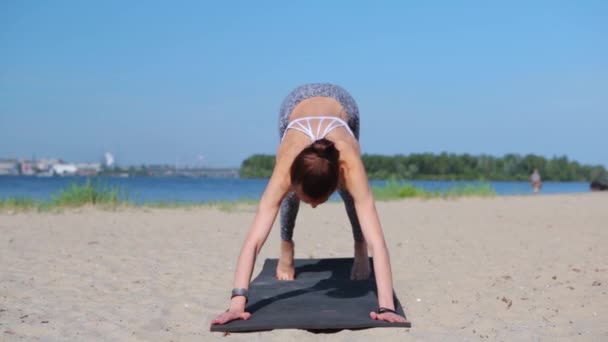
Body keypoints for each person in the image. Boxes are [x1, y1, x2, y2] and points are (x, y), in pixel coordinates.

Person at [211, 83, 408, 325]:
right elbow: (253, 241)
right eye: (311, 201)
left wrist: (386, 306)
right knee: (289, 197)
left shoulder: (349, 162)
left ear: (336, 176)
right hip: (294, 105)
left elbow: (377, 243)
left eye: (320, 201)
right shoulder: (286, 164)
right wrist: (236, 304)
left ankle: (358, 246)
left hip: (343, 106)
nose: (314, 207)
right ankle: (286, 246)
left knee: (352, 195)